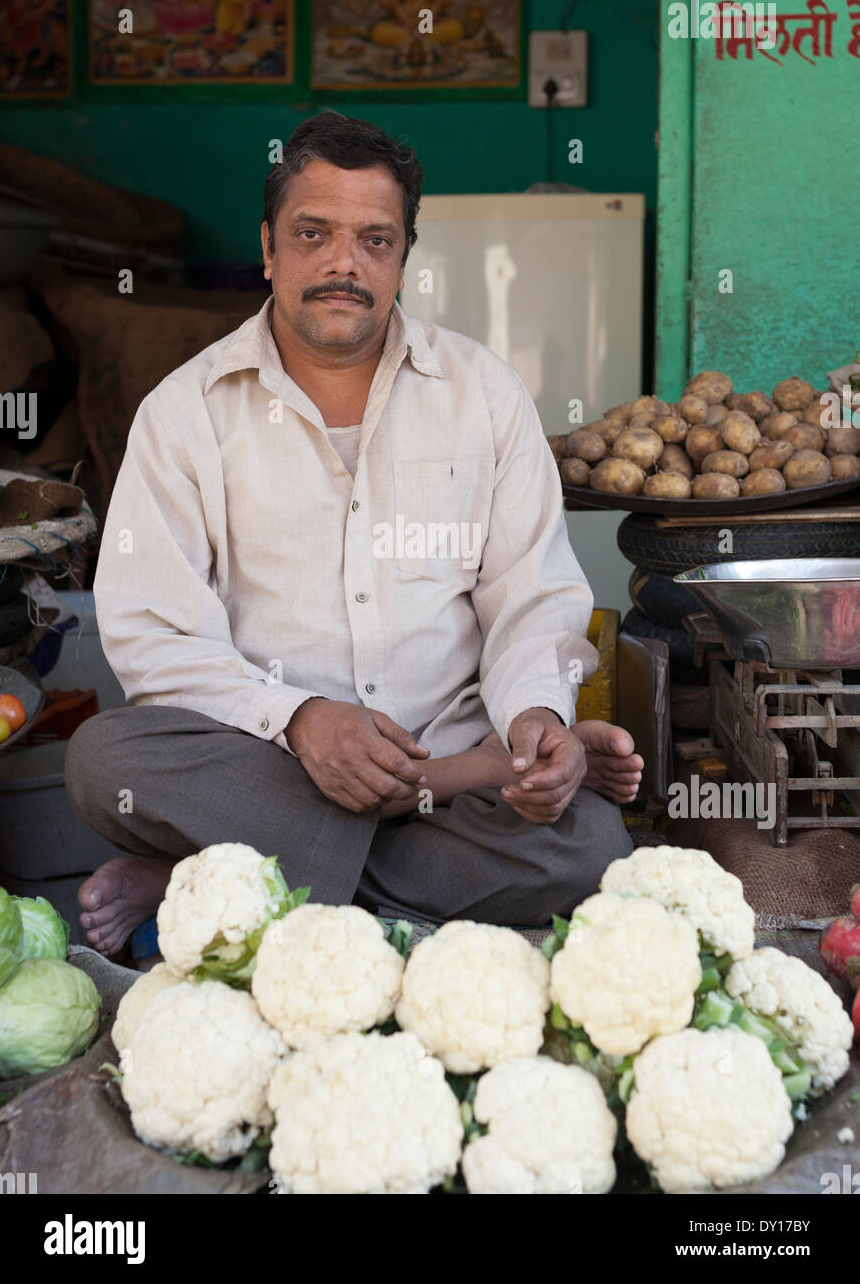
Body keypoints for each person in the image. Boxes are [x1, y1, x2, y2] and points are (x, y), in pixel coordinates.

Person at [65, 109, 643, 959]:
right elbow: (154, 636)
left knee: (594, 850)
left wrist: (532, 720)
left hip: (447, 793)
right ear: (268, 248)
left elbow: (532, 597)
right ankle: (345, 882)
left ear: (405, 257)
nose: (345, 263)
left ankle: (220, 874)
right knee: (102, 759)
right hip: (267, 766)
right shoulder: (185, 413)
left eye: (376, 240)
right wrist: (300, 718)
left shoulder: (484, 394)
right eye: (314, 234)